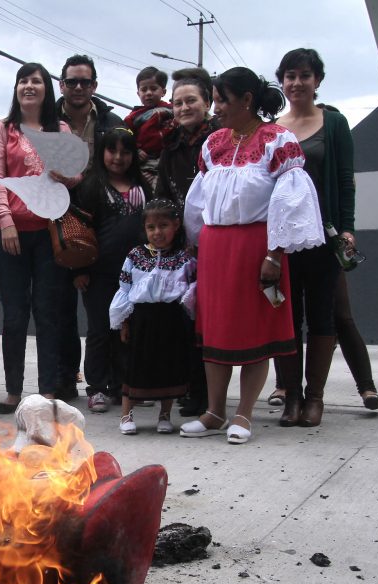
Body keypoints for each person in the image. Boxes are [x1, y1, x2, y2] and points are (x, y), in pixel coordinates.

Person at [180, 67, 324, 445]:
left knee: (254, 328)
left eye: (222, 99)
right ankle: (214, 411)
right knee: (214, 328)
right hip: (215, 247)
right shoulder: (212, 144)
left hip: (256, 247)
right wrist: (195, 244)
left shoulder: (278, 140)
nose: (216, 107)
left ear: (246, 100)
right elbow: (199, 200)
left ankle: (243, 413)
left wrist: (274, 254)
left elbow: (289, 201)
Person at [272, 48, 360, 427]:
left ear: (317, 80)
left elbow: (344, 179)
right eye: (290, 76)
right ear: (283, 81)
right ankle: (292, 396)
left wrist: (347, 227)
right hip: (284, 240)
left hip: (323, 236)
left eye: (304, 75)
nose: (296, 83)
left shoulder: (335, 123)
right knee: (286, 317)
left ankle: (315, 398)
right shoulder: (273, 127)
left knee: (323, 317)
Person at [0, 63, 70, 411]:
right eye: (24, 80)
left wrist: (65, 174)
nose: (29, 86)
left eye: (36, 80)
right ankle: (14, 392)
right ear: (17, 88)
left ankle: (48, 391)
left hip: (49, 233)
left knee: (47, 312)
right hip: (10, 235)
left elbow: (74, 178)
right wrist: (5, 220)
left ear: (47, 89)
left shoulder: (60, 129)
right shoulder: (2, 130)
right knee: (16, 314)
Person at [55, 54, 124, 401]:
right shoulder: (48, 122)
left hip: (105, 221)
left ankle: (114, 382)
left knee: (108, 310)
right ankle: (67, 378)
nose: (78, 87)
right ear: (62, 84)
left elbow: (126, 166)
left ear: (94, 86)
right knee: (63, 307)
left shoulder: (111, 121)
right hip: (57, 219)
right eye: (71, 81)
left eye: (85, 81)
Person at [73, 127, 151, 413]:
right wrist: (79, 270)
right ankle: (96, 387)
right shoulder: (91, 187)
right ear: (102, 152)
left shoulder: (143, 188)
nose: (118, 157)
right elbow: (79, 232)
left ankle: (123, 386)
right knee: (99, 330)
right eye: (112, 150)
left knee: (126, 331)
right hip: (99, 274)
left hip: (136, 275)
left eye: (125, 151)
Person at [156, 67, 219, 418]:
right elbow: (163, 195)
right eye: (177, 103)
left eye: (190, 100)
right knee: (185, 318)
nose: (183, 108)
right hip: (183, 246)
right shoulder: (171, 147)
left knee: (212, 320)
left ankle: (212, 394)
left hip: (216, 241)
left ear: (207, 102)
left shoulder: (221, 139)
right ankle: (191, 387)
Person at [109, 199, 196, 434]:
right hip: (142, 319)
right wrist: (124, 322)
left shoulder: (184, 258)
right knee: (135, 366)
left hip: (171, 319)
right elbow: (125, 289)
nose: (157, 232)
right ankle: (126, 414)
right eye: (151, 227)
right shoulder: (135, 256)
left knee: (168, 366)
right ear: (145, 229)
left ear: (176, 225)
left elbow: (192, 288)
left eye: (164, 225)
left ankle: (165, 414)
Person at [124, 66, 174, 187]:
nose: (149, 93)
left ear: (163, 91)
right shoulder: (133, 117)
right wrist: (135, 149)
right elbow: (125, 135)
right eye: (144, 90)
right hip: (145, 162)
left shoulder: (172, 111)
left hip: (168, 159)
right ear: (138, 93)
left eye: (153, 88)